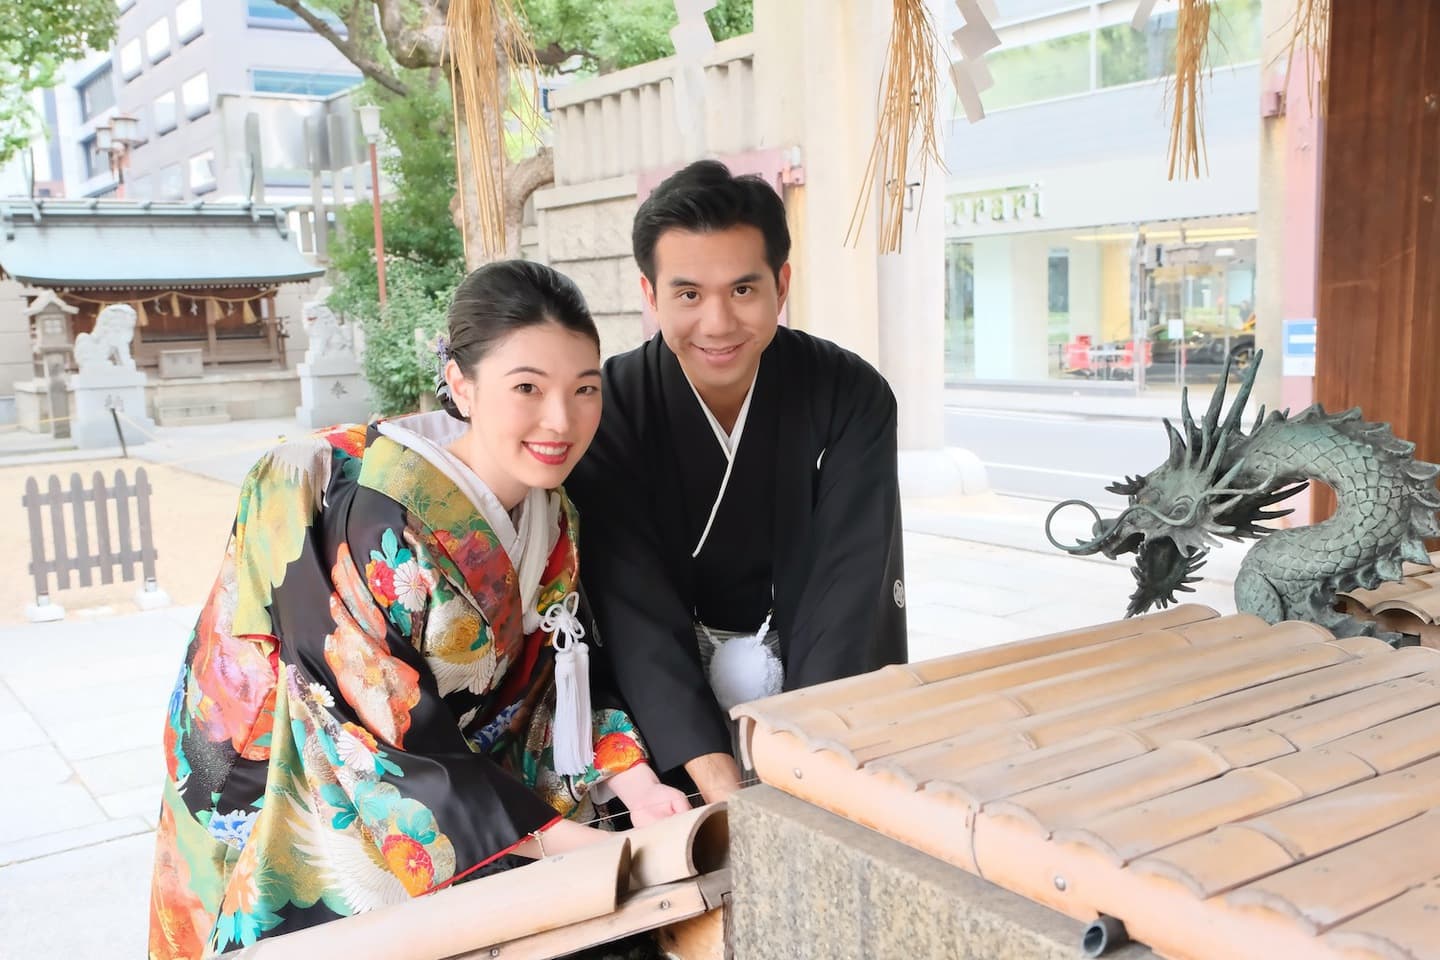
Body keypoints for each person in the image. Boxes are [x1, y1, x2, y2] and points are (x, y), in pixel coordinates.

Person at [148, 261, 690, 959]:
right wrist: (572, 844)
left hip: (461, 781)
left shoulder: (553, 516)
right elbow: (376, 737)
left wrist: (635, 782)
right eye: (527, 387)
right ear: (461, 385)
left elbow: (552, 684)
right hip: (313, 770)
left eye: (585, 390)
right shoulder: (372, 522)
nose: (561, 420)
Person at [565, 160, 908, 806]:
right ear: (650, 293)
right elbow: (631, 603)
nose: (718, 323)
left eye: (743, 291)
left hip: (818, 701)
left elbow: (848, 589)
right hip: (663, 714)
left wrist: (804, 765)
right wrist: (718, 781)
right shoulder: (612, 406)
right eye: (689, 294)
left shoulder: (850, 396)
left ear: (781, 284)